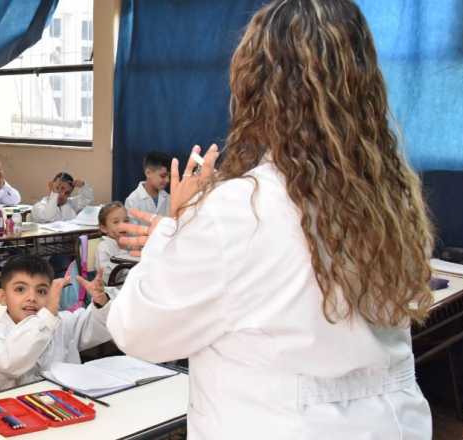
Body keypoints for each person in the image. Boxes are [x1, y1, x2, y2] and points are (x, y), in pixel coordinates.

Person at [108, 1, 434, 438]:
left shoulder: (240, 209)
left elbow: (137, 330)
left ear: (254, 88)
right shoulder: (390, 198)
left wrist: (174, 229)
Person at [0, 255, 112, 392]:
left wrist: (100, 301)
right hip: (16, 408)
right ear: (3, 297)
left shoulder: (60, 322)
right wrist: (47, 316)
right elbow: (10, 363)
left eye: (41, 291)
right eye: (20, 289)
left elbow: (95, 325)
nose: (32, 298)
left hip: (68, 402)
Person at [124, 152, 171, 223]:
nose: (167, 180)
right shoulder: (132, 201)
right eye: (163, 176)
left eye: (169, 176)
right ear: (148, 173)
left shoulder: (168, 198)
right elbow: (132, 232)